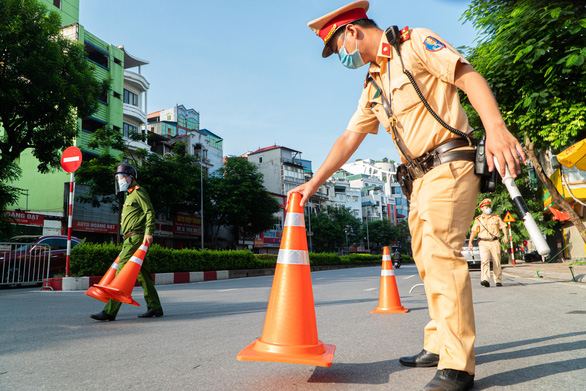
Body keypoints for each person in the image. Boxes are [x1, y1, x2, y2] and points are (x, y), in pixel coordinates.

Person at [292, 2, 526, 390]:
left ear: (351, 32)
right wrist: (312, 184)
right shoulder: (372, 84)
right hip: (418, 180)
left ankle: (457, 365)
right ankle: (438, 343)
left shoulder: (413, 43)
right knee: (424, 258)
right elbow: (349, 138)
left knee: (439, 253)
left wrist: (497, 128)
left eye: (336, 48)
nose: (339, 57)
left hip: (450, 163)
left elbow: (467, 76)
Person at [91, 163, 163, 321]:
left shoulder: (139, 192)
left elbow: (149, 211)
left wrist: (149, 233)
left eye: (122, 177)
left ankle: (110, 311)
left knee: (121, 273)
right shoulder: (128, 195)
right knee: (144, 275)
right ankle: (155, 307)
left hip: (136, 238)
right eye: (117, 178)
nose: (119, 180)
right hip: (129, 239)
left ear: (131, 178)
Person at [468, 198, 508, 287]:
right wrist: (470, 242)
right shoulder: (478, 219)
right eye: (486, 207)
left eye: (489, 206)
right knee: (484, 261)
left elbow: (503, 226)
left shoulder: (496, 217)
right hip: (483, 242)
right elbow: (474, 231)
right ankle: (485, 279)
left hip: (495, 242)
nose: (488, 208)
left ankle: (498, 280)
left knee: (496, 261)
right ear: (482, 208)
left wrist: (505, 236)